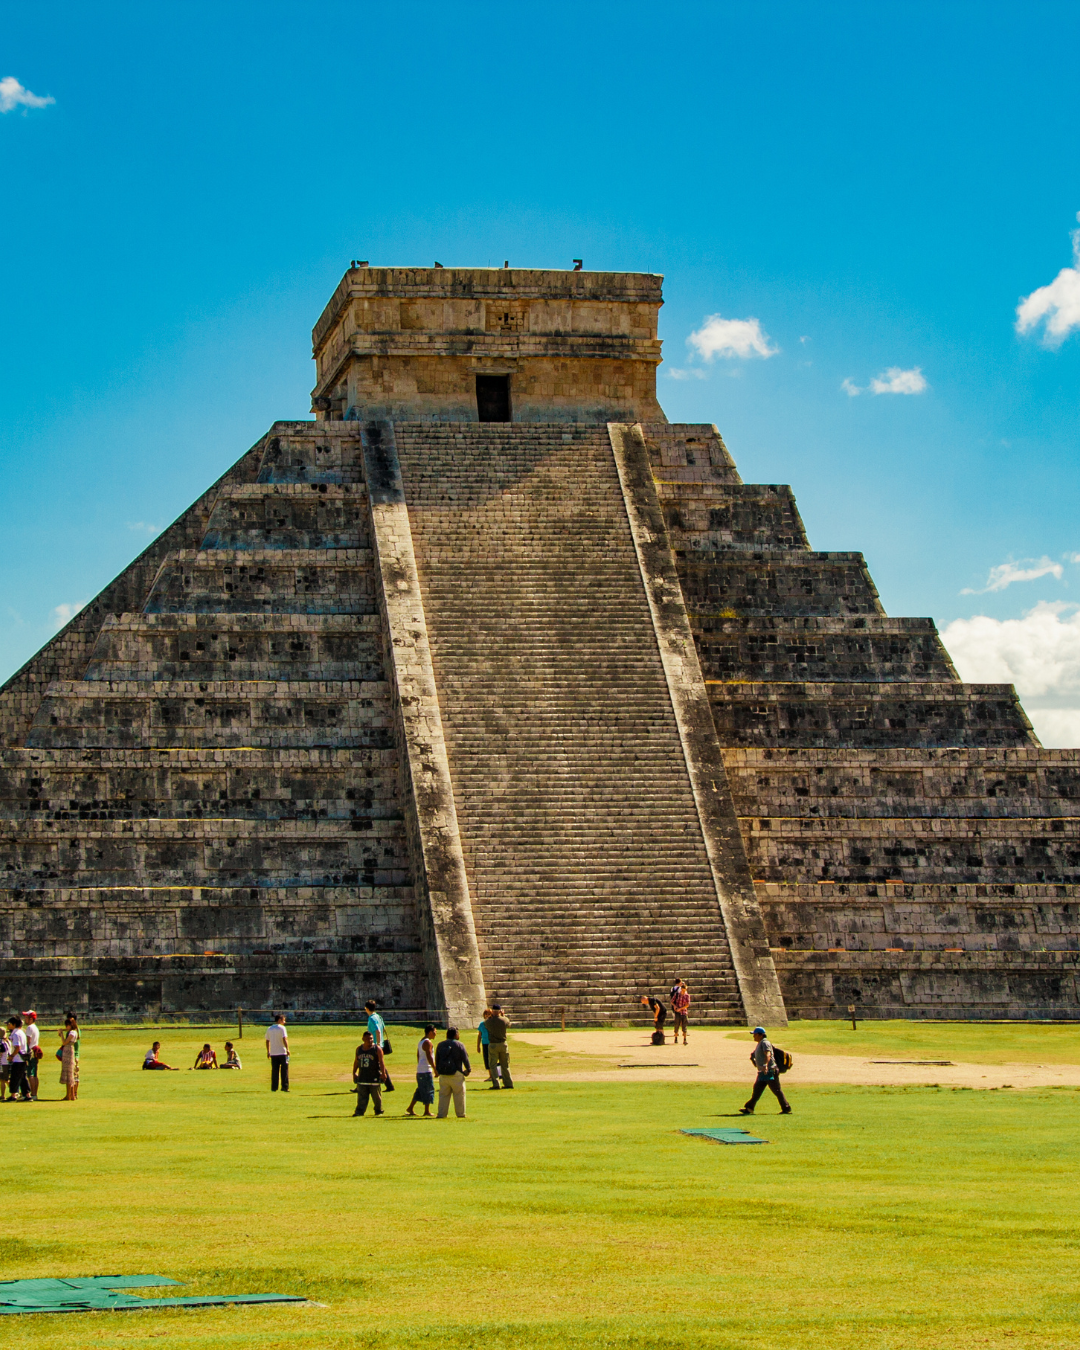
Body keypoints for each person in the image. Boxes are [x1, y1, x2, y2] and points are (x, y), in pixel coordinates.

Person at [739, 1026, 791, 1116]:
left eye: (755, 1034)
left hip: (770, 1071)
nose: (753, 1036)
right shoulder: (760, 1043)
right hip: (762, 1072)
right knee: (757, 1090)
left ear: (761, 1035)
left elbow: (768, 1054)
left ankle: (786, 1108)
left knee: (776, 1090)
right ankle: (749, 1108)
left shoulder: (765, 1043)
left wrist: (765, 1065)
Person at [434, 1027, 471, 1119]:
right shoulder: (459, 1044)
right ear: (456, 1035)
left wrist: (438, 1070)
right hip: (456, 1073)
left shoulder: (440, 1045)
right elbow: (465, 1058)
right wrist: (468, 1069)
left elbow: (437, 1058)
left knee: (443, 1095)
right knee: (459, 1094)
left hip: (443, 1073)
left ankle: (441, 1114)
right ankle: (460, 1113)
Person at [352, 1031, 386, 1117]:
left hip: (374, 1076)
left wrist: (383, 1073)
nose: (370, 1040)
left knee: (376, 1096)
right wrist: (354, 1072)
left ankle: (378, 1111)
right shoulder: (359, 1049)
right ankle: (359, 1112)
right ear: (363, 1039)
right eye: (367, 1039)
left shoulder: (377, 1049)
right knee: (361, 1096)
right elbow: (356, 1061)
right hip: (362, 1076)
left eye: (371, 1038)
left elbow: (381, 1062)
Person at [406, 1024, 437, 1117]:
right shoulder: (427, 1043)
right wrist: (435, 1069)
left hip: (420, 1070)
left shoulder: (421, 1041)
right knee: (428, 1089)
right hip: (426, 1070)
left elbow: (418, 1055)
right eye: (435, 1032)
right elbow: (429, 1056)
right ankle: (426, 1111)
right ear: (430, 1032)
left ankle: (410, 1108)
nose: (435, 1034)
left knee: (420, 1090)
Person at [364, 1000, 394, 1093]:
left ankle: (362, 1084)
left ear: (367, 1008)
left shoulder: (372, 1018)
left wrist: (377, 1044)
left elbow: (378, 1030)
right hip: (381, 1045)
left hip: (374, 1046)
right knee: (378, 1064)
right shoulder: (378, 1016)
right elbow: (383, 1028)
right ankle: (389, 1085)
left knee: (368, 1064)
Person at [484, 1004, 514, 1090]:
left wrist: (491, 1016)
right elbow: (509, 1025)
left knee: (493, 1065)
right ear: (500, 1011)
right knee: (505, 1065)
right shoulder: (504, 1019)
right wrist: (503, 1015)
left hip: (493, 1044)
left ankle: (496, 1083)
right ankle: (508, 1083)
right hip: (503, 1044)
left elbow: (486, 1024)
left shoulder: (488, 1021)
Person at [6, 1016, 29, 1102]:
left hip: (18, 1059)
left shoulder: (16, 1034)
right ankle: (27, 1094)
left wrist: (11, 1056)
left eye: (9, 1024)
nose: (8, 1026)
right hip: (22, 1059)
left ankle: (13, 1095)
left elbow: (17, 1047)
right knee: (22, 1078)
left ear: (14, 1024)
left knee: (14, 1077)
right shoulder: (21, 1032)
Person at [265, 1012, 289, 1092]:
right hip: (282, 1052)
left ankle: (274, 1087)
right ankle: (284, 1086)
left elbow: (267, 1040)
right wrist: (287, 1049)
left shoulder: (269, 1029)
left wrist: (268, 1051)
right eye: (283, 1020)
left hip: (273, 1053)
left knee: (275, 1070)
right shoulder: (282, 1028)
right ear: (279, 1020)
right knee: (284, 1070)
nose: (284, 1022)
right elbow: (284, 1039)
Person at [59, 1013, 79, 1101]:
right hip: (69, 1051)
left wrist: (61, 1035)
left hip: (68, 1052)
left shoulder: (72, 1033)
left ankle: (70, 1095)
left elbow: (64, 1042)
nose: (66, 1027)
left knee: (69, 1074)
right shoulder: (75, 1032)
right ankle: (70, 1095)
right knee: (69, 1074)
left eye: (67, 1025)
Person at [22, 1010, 40, 1100]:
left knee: (30, 1074)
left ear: (31, 1019)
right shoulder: (35, 1027)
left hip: (30, 1051)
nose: (25, 1019)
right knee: (35, 1074)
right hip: (35, 1050)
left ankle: (32, 1093)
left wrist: (25, 1052)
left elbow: (28, 1041)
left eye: (26, 1017)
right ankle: (35, 1093)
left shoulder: (29, 1028)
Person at [671, 981, 691, 1045]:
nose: (683, 991)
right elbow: (672, 1001)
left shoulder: (687, 996)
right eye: (682, 990)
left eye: (684, 990)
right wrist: (675, 1006)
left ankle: (685, 1039)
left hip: (684, 1012)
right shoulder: (677, 994)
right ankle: (676, 1037)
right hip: (678, 1012)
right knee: (676, 1025)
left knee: (684, 1026)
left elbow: (687, 1005)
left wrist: (681, 1008)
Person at [476, 1008, 494, 1076]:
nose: (487, 1015)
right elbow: (479, 1035)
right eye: (486, 1014)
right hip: (485, 1043)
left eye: (489, 1014)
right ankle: (490, 1075)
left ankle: (495, 1074)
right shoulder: (482, 1024)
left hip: (492, 1043)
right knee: (486, 1059)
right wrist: (478, 1046)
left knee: (493, 1059)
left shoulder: (493, 1023)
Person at [0, 1025, 11, 1101]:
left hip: (2, 1062)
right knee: (6, 1079)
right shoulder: (8, 1041)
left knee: (2, 1080)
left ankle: (3, 1095)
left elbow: (1, 1053)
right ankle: (15, 1091)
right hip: (7, 1062)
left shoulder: (1, 1042)